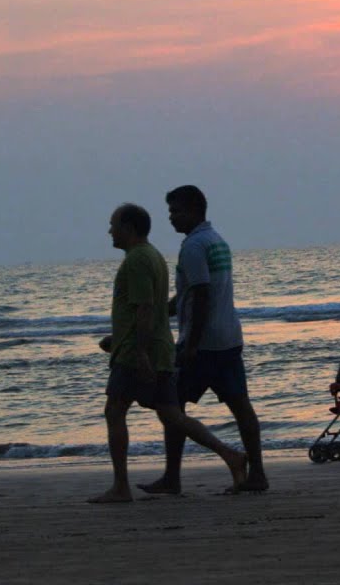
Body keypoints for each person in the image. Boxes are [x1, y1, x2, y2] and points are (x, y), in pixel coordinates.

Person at [89, 203, 247, 504]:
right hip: (153, 347)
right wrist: (120, 337)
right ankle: (231, 455)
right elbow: (153, 309)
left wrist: (138, 352)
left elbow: (146, 309)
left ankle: (121, 487)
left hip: (139, 352)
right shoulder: (152, 256)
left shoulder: (137, 260)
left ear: (129, 227)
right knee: (171, 413)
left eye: (113, 224)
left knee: (115, 410)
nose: (110, 230)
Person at [138, 186, 268, 495]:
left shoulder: (194, 246)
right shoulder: (216, 240)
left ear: (195, 210)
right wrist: (161, 313)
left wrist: (191, 345)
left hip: (204, 343)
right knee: (241, 406)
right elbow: (188, 295)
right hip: (229, 337)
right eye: (170, 212)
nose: (171, 218)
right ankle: (258, 474)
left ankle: (172, 477)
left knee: (171, 405)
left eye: (176, 212)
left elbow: (200, 295)